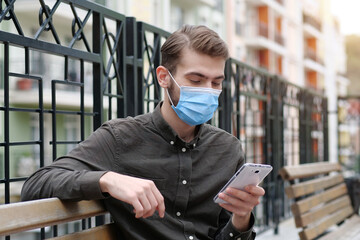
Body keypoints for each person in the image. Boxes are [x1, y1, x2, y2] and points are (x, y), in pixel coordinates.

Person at [21, 25, 265, 240]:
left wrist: (241, 218)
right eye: (196, 80)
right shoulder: (120, 138)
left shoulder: (228, 148)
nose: (208, 91)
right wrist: (108, 179)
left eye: (216, 82)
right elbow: (36, 185)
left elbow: (226, 233)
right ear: (163, 77)